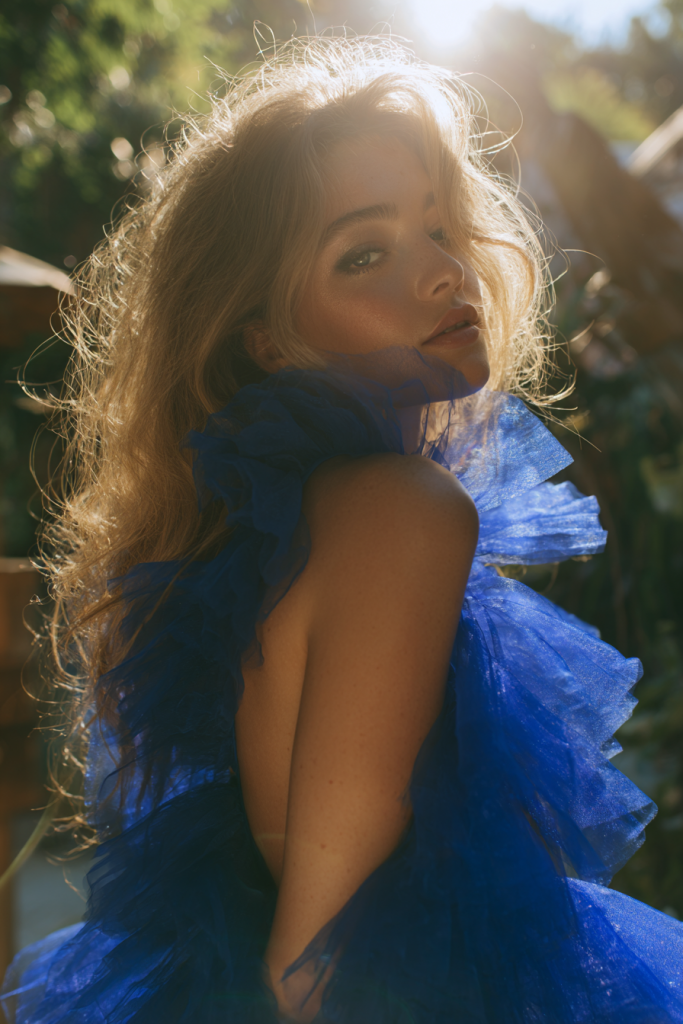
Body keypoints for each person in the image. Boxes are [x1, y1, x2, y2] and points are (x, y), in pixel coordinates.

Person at [3, 34, 683, 1024]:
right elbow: (315, 963)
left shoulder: (278, 524)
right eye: (363, 254)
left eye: (437, 226)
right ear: (269, 338)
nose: (441, 271)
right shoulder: (399, 511)